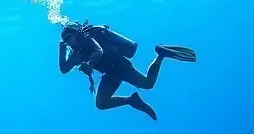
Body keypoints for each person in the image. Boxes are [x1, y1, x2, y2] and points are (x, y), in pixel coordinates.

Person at [59, 21, 196, 121]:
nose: (69, 42)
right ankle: (131, 100)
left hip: (120, 65)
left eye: (69, 38)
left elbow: (98, 50)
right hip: (110, 74)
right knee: (101, 103)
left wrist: (90, 64)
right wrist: (62, 49)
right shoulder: (77, 53)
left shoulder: (88, 38)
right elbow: (64, 69)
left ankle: (161, 54)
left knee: (148, 84)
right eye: (66, 41)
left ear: (76, 34)